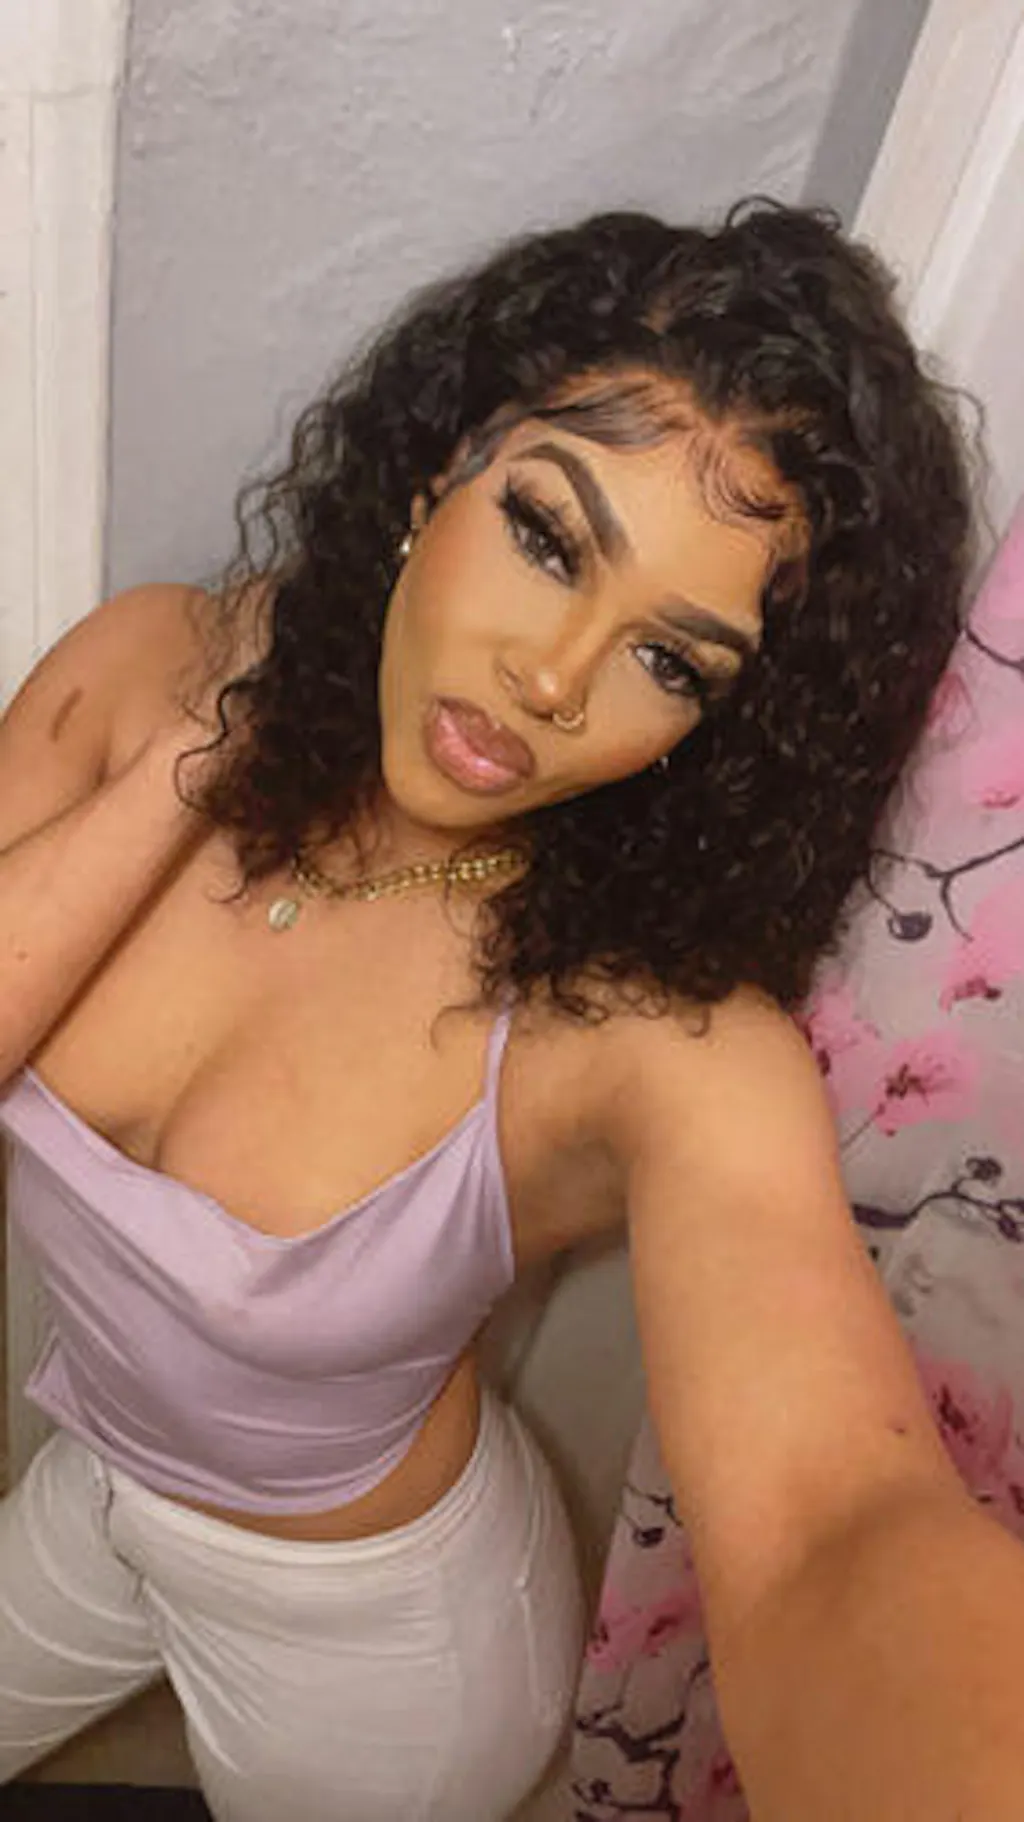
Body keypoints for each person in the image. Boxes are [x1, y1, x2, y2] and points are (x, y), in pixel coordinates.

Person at [0, 199, 1021, 1822]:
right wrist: (210, 747)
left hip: (374, 1662)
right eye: (548, 536)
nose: (553, 677)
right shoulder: (148, 667)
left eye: (673, 662)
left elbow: (834, 1525)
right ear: (438, 470)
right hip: (95, 1483)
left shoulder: (645, 1034)